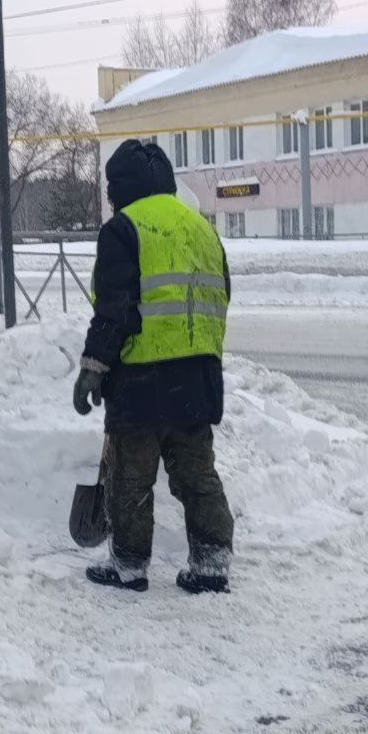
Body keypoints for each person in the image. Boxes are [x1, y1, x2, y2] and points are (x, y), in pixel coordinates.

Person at [73, 139, 234, 594]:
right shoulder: (202, 228)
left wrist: (94, 367)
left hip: (142, 379)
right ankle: (211, 563)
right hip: (198, 377)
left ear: (122, 189)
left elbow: (116, 308)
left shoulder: (124, 229)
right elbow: (221, 294)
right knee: (197, 474)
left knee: (131, 478)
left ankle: (128, 566)